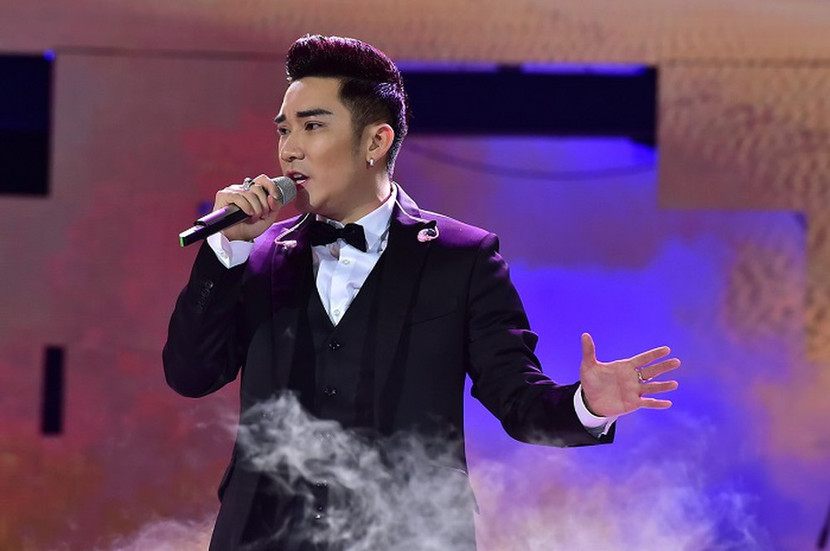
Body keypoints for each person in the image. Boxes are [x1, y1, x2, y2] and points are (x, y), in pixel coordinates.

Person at [163, 34, 680, 551]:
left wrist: (587, 405)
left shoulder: (462, 258)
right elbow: (190, 375)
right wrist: (224, 251)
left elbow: (517, 399)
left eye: (312, 125)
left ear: (375, 142)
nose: (289, 149)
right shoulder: (258, 255)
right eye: (284, 130)